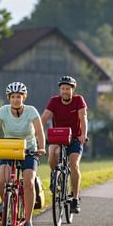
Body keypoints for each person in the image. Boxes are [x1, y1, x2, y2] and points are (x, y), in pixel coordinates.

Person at [0, 82, 45, 226]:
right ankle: (4, 202)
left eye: (19, 97)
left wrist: (42, 147)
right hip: (8, 148)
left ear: (24, 97)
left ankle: (29, 222)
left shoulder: (31, 111)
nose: (16, 100)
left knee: (29, 182)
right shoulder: (3, 111)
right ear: (9, 98)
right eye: (13, 97)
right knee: (1, 181)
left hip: (29, 150)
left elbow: (39, 131)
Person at [41, 75, 88, 214]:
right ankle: (55, 175)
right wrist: (35, 132)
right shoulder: (54, 101)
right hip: (58, 136)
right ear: (59, 90)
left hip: (75, 138)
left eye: (68, 89)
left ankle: (75, 198)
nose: (65, 91)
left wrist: (83, 134)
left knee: (74, 165)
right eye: (63, 89)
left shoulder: (79, 100)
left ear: (73, 90)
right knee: (52, 155)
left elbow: (83, 118)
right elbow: (44, 118)